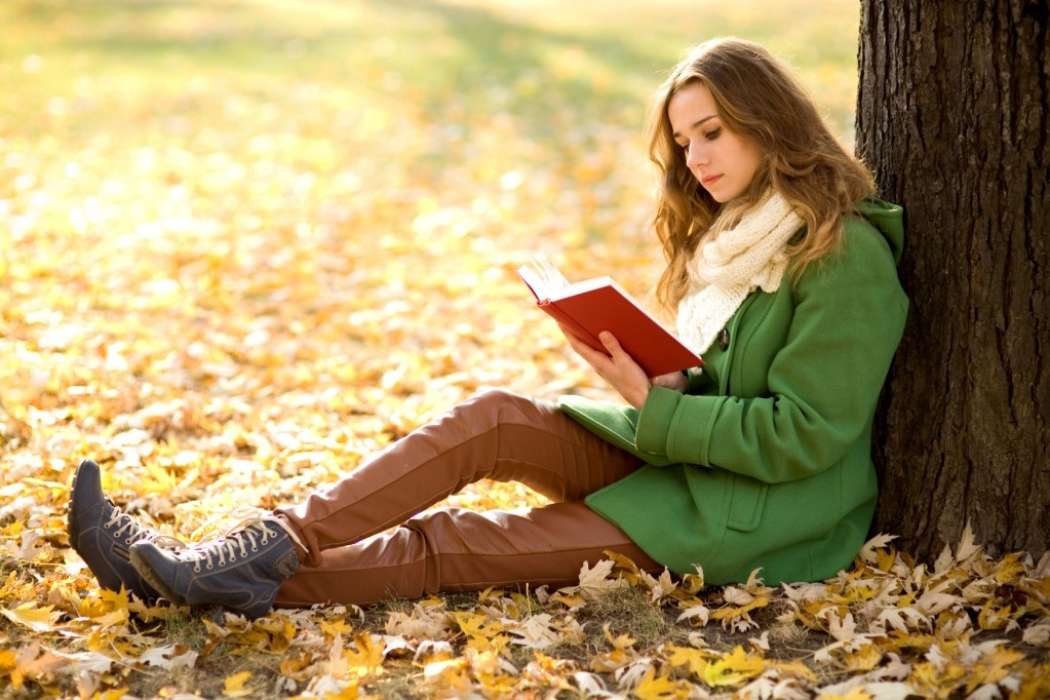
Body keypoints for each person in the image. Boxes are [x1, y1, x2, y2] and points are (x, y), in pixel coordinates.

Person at [67, 37, 909, 620]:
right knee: (497, 417)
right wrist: (660, 384)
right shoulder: (735, 238)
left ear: (771, 120)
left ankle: (190, 580)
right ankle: (256, 544)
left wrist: (662, 407)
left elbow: (805, 435)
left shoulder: (843, 256)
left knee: (458, 545)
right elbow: (726, 389)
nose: (695, 159)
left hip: (751, 516)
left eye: (712, 133)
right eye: (685, 141)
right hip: (684, 452)